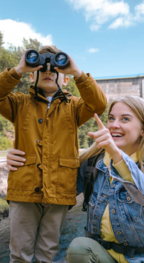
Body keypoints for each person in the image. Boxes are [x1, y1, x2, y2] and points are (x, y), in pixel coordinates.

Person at [9, 96, 144, 262]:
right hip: (102, 255)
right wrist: (24, 163)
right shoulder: (93, 162)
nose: (114, 125)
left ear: (143, 129)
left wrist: (116, 153)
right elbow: (55, 191)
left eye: (125, 119)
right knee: (79, 249)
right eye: (111, 118)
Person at [1, 46, 107, 262]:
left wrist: (77, 73)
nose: (48, 71)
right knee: (19, 253)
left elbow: (99, 104)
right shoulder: (19, 103)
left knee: (47, 253)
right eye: (42, 68)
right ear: (32, 75)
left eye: (55, 69)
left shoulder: (75, 107)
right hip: (24, 189)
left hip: (60, 190)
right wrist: (17, 70)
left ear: (65, 79)